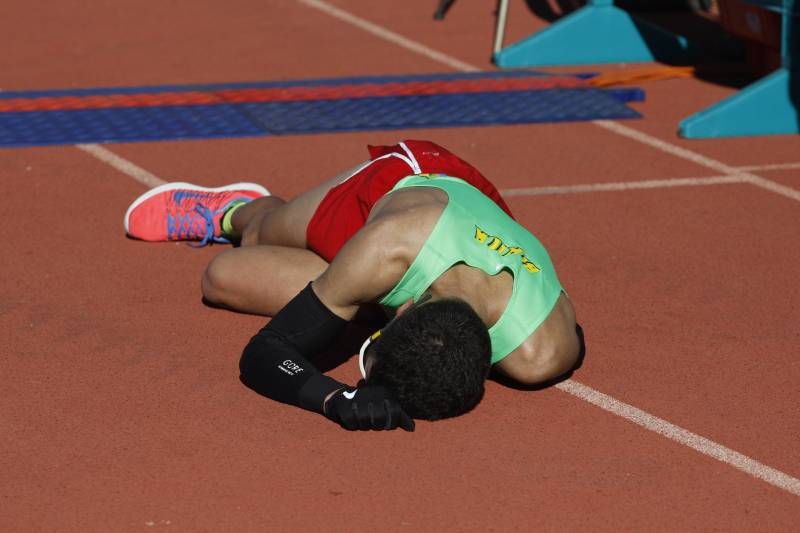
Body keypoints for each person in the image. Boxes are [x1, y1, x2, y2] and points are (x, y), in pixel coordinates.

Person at [124, 140, 583, 432]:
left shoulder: (542, 354)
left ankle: (346, 295)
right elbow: (266, 351)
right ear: (400, 312)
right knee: (255, 240)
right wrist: (332, 397)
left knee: (227, 276)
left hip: (466, 230)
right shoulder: (387, 245)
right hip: (407, 184)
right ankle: (240, 208)